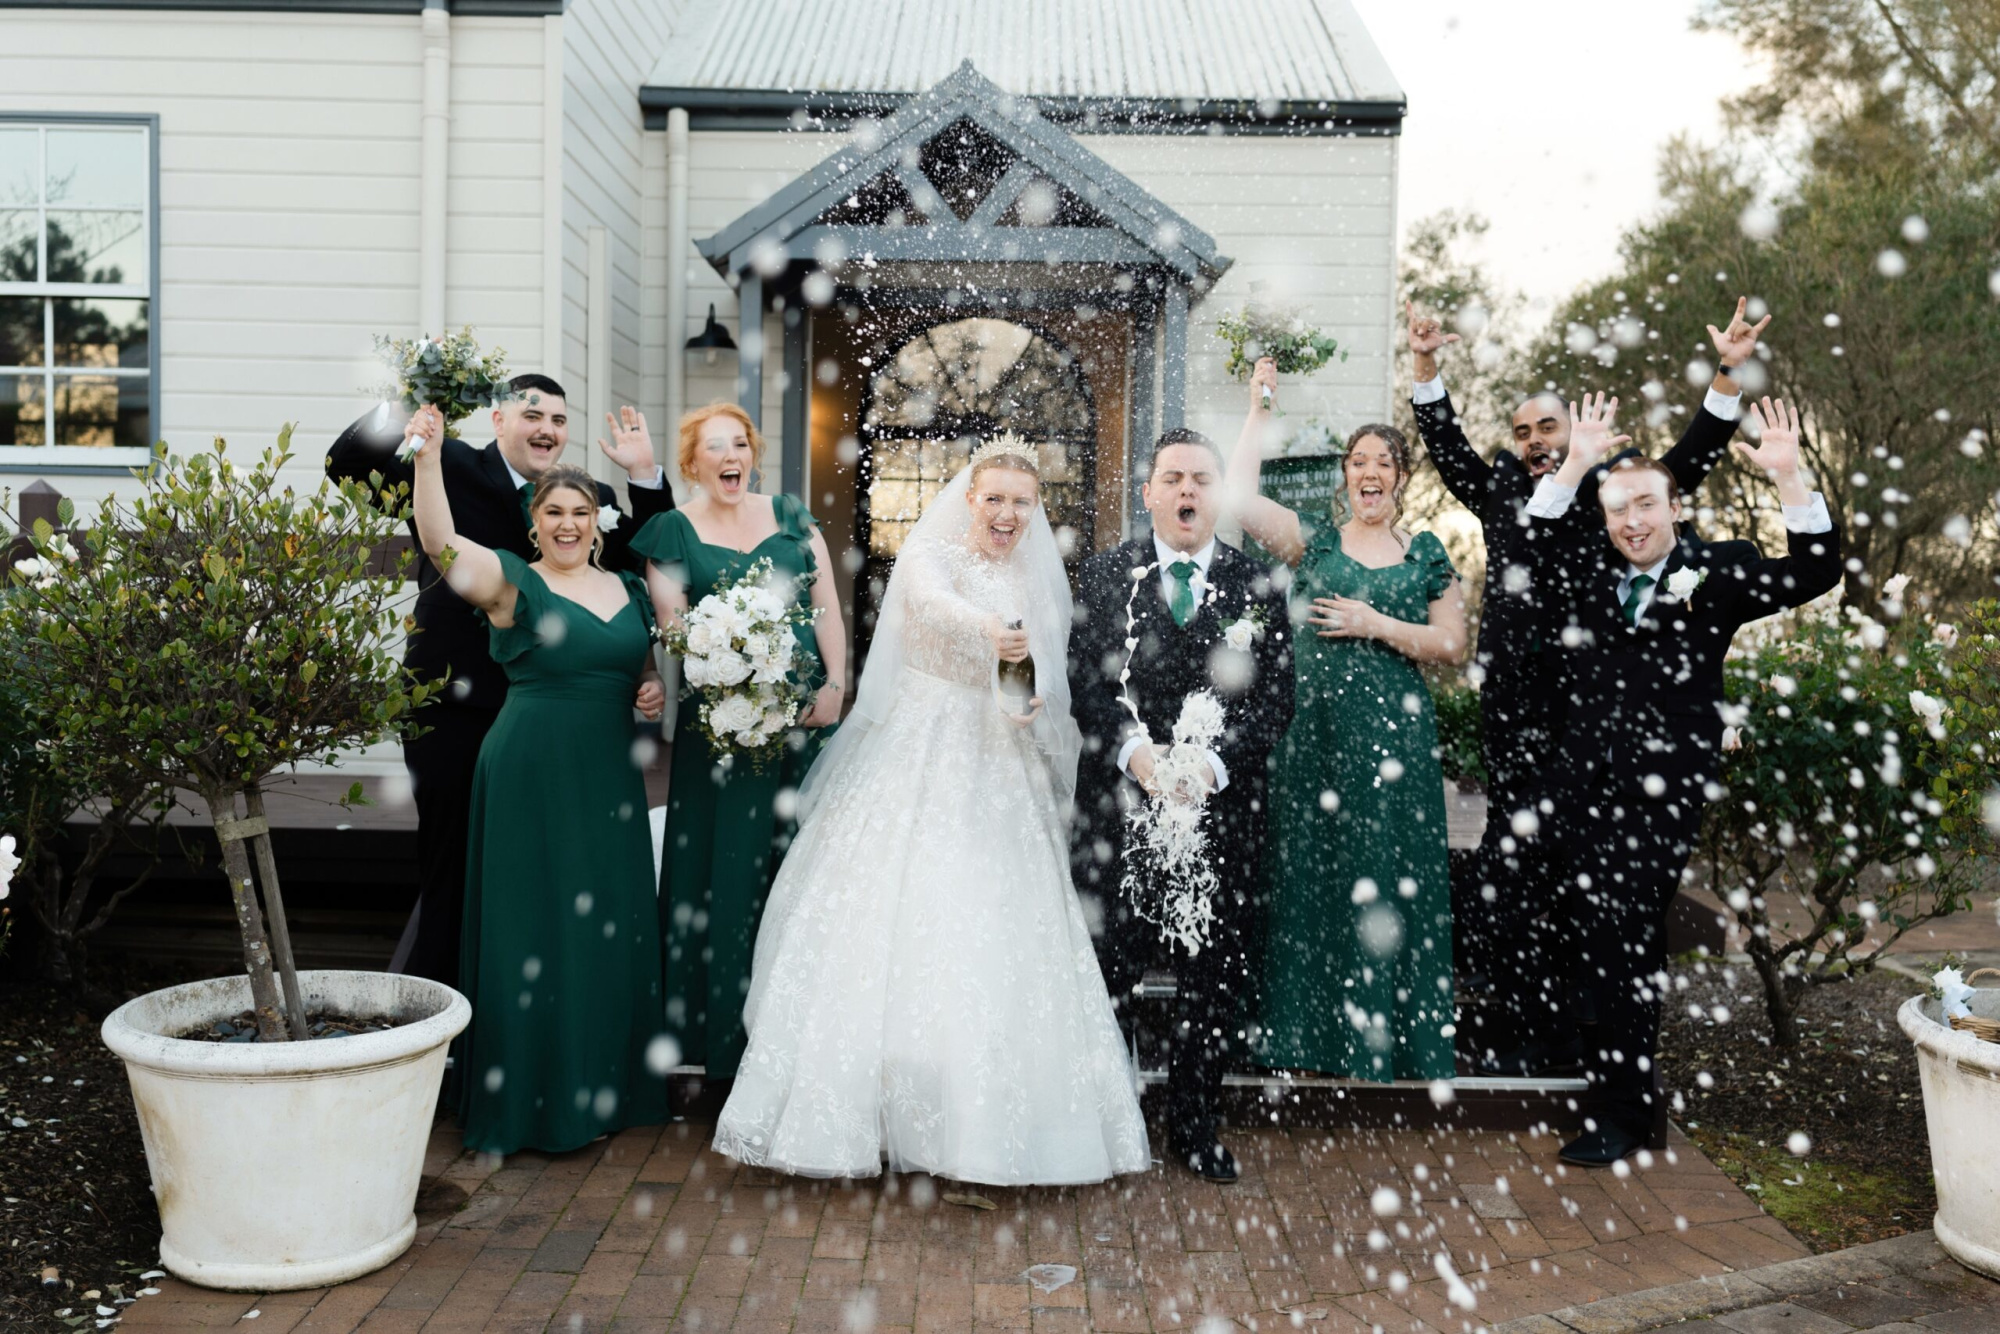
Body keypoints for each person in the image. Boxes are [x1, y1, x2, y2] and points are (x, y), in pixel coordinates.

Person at [711, 444, 1148, 1184]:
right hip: (917, 747)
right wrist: (989, 627)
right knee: (889, 915)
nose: (1008, 514)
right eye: (995, 499)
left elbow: (1037, 670)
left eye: (1022, 502)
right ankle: (877, 1108)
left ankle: (983, 1125)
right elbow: (932, 604)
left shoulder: (1037, 580)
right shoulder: (928, 555)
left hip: (998, 762)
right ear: (970, 499)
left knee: (993, 921)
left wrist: (1031, 700)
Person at [1406, 299, 1762, 1075]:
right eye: (1523, 431)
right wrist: (1426, 365)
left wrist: (1727, 376)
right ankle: (1517, 1025)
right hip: (1511, 713)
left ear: (1575, 433)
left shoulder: (1612, 497)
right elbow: (1444, 442)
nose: (1535, 440)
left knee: (1576, 877)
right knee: (1509, 870)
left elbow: (1691, 459)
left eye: (1548, 427)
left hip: (1584, 717)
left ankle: (1577, 1037)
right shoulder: (1499, 494)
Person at [1526, 395, 1840, 1165]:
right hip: (1582, 790)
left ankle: (1621, 1114)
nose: (1632, 522)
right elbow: (1528, 546)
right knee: (1600, 939)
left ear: (1676, 507)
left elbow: (1815, 570)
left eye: (1645, 505)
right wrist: (1575, 463)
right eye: (1618, 509)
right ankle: (1620, 1099)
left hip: (1662, 794)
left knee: (1622, 935)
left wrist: (1789, 475)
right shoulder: (1588, 570)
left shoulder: (1718, 573)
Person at [325, 379, 674, 989]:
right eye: (532, 414)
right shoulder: (450, 462)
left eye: (558, 419)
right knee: (454, 867)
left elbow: (648, 562)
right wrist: (410, 403)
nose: (546, 428)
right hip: (457, 707)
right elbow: (345, 464)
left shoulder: (585, 499)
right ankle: (442, 1010)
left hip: (554, 718)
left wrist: (644, 476)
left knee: (536, 871)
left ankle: (523, 996)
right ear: (497, 420)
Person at [403, 404, 670, 1156]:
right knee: (532, 925)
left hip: (607, 775)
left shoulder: (629, 590)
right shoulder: (512, 582)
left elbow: (639, 665)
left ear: (597, 522)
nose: (567, 524)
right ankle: (528, 1099)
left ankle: (599, 1085)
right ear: (534, 522)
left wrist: (650, 685)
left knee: (603, 923)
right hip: (529, 768)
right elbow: (441, 542)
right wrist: (428, 460)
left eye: (580, 512)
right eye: (553, 512)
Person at [1224, 359, 1467, 1084]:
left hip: (1395, 738)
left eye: (1383, 462)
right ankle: (1304, 1038)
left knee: (1385, 874)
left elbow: (1451, 643)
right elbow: (1239, 498)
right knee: (1312, 872)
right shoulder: (1315, 544)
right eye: (1358, 461)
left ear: (1401, 478)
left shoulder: (1425, 553)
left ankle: (1383, 1041)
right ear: (1346, 477)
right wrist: (1258, 409)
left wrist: (1374, 622)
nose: (1370, 471)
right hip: (1318, 732)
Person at [1070, 428, 1294, 1182]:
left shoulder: (1256, 583)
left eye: (1201, 478)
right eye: (1173, 478)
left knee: (1212, 973)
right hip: (1120, 810)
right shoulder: (1104, 574)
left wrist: (1212, 765)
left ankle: (1195, 1124)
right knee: (1112, 965)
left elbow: (1275, 700)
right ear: (1149, 493)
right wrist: (1136, 754)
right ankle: (1114, 1118)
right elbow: (1085, 682)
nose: (1187, 490)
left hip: (1222, 813)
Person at [630, 404, 846, 1081]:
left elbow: (827, 609)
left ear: (753, 455)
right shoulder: (671, 530)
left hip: (802, 724)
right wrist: (737, 664)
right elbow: (674, 629)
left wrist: (836, 683)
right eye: (715, 447)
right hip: (721, 729)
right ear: (692, 462)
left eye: (741, 445)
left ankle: (796, 1037)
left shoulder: (791, 516)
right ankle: (720, 1033)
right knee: (722, 874)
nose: (732, 457)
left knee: (797, 866)